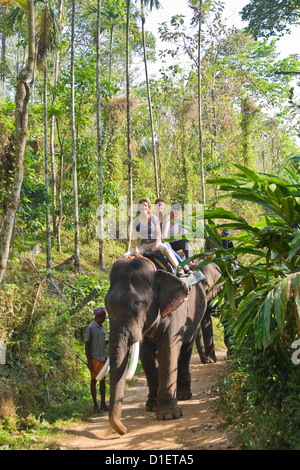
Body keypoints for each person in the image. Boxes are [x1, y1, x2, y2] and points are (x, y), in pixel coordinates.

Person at [127, 198, 181, 273]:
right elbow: (135, 237)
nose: (143, 207)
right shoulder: (136, 221)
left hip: (154, 243)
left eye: (145, 205)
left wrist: (156, 245)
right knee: (125, 256)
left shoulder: (154, 218)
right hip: (143, 246)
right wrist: (136, 248)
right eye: (141, 205)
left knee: (166, 250)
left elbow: (159, 233)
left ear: (148, 207)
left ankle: (179, 268)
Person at [85, 307, 109, 413]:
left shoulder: (101, 327)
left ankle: (103, 403)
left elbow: (102, 342)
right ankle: (95, 405)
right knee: (94, 381)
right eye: (103, 317)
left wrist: (110, 340)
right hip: (95, 358)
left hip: (103, 358)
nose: (104, 319)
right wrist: (89, 361)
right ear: (98, 317)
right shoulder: (90, 328)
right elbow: (87, 346)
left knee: (103, 381)